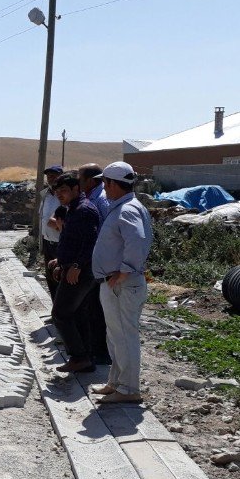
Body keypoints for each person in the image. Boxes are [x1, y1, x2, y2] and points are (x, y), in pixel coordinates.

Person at [90, 162, 153, 404]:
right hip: (116, 283)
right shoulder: (125, 207)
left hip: (122, 284)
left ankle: (128, 390)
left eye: (105, 183)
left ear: (113, 184)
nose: (103, 188)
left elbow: (136, 241)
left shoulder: (127, 209)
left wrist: (124, 272)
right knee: (115, 334)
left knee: (125, 336)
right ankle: (116, 382)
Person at [47, 172, 101, 375]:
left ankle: (78, 356)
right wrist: (61, 262)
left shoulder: (84, 210)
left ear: (76, 189)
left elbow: (90, 241)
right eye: (57, 191)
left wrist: (76, 266)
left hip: (80, 271)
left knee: (60, 313)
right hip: (72, 268)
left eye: (64, 190)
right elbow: (71, 241)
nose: (59, 194)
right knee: (77, 314)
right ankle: (85, 358)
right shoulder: (72, 209)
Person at [79, 163, 112, 364]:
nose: (78, 182)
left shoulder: (101, 201)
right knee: (91, 306)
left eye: (81, 179)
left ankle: (101, 353)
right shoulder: (92, 197)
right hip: (93, 261)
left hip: (99, 263)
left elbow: (107, 233)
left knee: (98, 309)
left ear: (91, 181)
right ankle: (93, 347)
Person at [40, 165, 64, 298]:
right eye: (49, 176)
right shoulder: (46, 195)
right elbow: (43, 217)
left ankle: (62, 315)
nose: (51, 178)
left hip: (60, 242)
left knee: (61, 277)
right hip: (47, 241)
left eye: (54, 175)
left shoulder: (64, 195)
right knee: (50, 277)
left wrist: (57, 225)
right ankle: (55, 311)